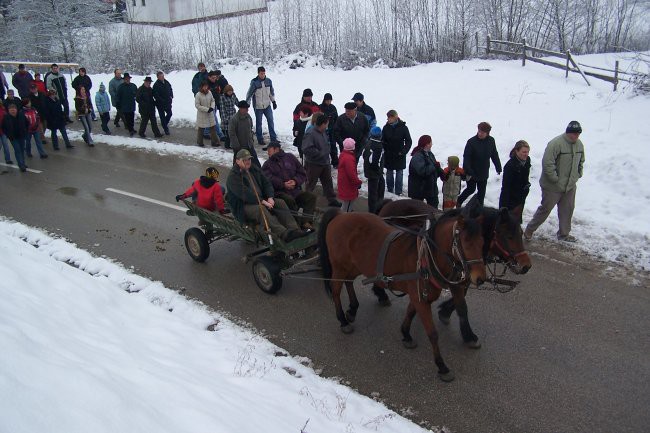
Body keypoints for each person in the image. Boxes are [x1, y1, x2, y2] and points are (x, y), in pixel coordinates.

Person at [226, 149, 308, 242]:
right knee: (260, 209)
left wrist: (270, 197)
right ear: (237, 161)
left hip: (262, 199)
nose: (248, 161)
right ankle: (283, 233)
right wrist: (263, 201)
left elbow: (267, 183)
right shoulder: (233, 177)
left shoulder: (254, 169)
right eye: (244, 160)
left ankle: (295, 229)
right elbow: (246, 195)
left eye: (249, 159)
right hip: (243, 206)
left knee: (280, 202)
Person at [525, 121, 585, 242]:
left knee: (567, 209)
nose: (576, 136)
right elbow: (547, 163)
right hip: (553, 186)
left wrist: (578, 174)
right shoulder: (556, 143)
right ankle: (529, 230)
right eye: (574, 133)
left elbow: (581, 161)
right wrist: (554, 178)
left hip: (570, 185)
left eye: (578, 133)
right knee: (545, 209)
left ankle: (564, 234)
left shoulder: (579, 145)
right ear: (568, 132)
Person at [262, 142, 317, 229]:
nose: (267, 152)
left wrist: (295, 181)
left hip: (294, 190)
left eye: (269, 150)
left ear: (276, 149)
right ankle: (296, 226)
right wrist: (283, 184)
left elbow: (302, 172)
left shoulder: (290, 157)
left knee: (310, 197)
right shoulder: (267, 164)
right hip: (279, 193)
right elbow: (268, 179)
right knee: (289, 200)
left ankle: (306, 222)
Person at [457, 122, 502, 207]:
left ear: (487, 133)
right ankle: (459, 201)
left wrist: (498, 166)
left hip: (483, 171)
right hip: (472, 171)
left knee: (481, 193)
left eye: (483, 132)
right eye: (479, 131)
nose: (480, 134)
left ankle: (479, 209)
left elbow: (494, 154)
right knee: (471, 189)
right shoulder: (471, 142)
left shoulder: (491, 141)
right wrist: (468, 169)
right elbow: (466, 156)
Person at [303, 112, 341, 207]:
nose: (327, 125)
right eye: (327, 123)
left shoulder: (323, 131)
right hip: (313, 164)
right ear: (323, 124)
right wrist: (320, 154)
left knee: (328, 182)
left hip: (325, 162)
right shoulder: (310, 133)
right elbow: (306, 149)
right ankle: (306, 201)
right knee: (310, 183)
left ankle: (331, 199)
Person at [245, 66, 279, 148]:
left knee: (271, 121)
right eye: (261, 73)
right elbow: (249, 94)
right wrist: (247, 104)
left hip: (267, 105)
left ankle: (273, 138)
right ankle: (260, 139)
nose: (263, 75)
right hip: (258, 106)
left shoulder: (268, 81)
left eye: (264, 73)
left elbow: (271, 93)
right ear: (258, 73)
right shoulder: (254, 82)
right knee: (259, 123)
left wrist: (273, 101)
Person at [408, 135, 444, 208]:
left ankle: (433, 219)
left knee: (433, 209)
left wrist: (441, 172)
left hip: (430, 188)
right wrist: (434, 166)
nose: (431, 144)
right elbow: (423, 171)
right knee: (417, 210)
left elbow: (433, 167)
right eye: (430, 142)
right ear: (427, 144)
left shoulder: (430, 154)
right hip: (419, 188)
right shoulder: (417, 156)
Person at [382, 109, 412, 196]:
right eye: (387, 118)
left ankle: (398, 192)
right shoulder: (386, 127)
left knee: (399, 173)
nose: (388, 120)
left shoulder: (403, 128)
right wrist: (385, 148)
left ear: (395, 117)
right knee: (389, 172)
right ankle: (390, 190)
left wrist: (404, 151)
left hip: (400, 154)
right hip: (389, 154)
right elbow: (382, 139)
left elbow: (409, 141)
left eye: (389, 118)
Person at [499, 141, 531, 221]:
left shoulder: (527, 160)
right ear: (516, 151)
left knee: (517, 219)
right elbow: (505, 187)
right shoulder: (510, 166)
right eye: (524, 152)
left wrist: (526, 185)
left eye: (527, 152)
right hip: (511, 198)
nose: (526, 154)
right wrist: (503, 206)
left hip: (521, 196)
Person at [229, 100, 260, 167]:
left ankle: (259, 173)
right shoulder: (234, 119)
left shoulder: (248, 117)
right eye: (246, 108)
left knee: (255, 160)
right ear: (240, 108)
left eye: (247, 108)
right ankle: (235, 174)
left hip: (249, 144)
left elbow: (250, 128)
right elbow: (232, 134)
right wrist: (237, 146)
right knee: (238, 162)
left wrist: (251, 140)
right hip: (239, 146)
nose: (247, 110)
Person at [363, 126, 385, 213]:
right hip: (375, 173)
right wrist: (379, 171)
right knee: (375, 193)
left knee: (374, 192)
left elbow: (365, 156)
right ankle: (373, 212)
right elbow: (375, 161)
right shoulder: (378, 146)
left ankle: (374, 209)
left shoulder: (369, 143)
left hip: (371, 172)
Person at [1, 102, 29, 172]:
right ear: (9, 110)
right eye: (11, 109)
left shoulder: (21, 115)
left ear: (16, 109)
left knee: (22, 149)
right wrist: (8, 135)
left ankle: (22, 162)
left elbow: (27, 123)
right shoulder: (6, 117)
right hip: (13, 137)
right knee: (18, 150)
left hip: (21, 136)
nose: (13, 110)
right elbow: (3, 127)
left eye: (14, 109)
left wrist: (25, 131)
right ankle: (21, 165)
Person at [338, 138, 363, 212]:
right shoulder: (349, 158)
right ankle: (344, 219)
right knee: (348, 204)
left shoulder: (343, 154)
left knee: (346, 204)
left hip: (344, 183)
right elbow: (351, 174)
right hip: (348, 185)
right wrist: (358, 182)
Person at [194, 81, 221, 147]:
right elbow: (197, 105)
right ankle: (200, 142)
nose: (206, 87)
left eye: (206, 86)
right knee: (201, 128)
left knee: (212, 127)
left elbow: (213, 100)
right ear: (201, 87)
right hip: (202, 114)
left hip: (210, 113)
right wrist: (206, 109)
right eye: (204, 86)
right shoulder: (198, 95)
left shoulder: (209, 92)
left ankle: (215, 142)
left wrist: (212, 107)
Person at [319, 92, 338, 167]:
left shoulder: (333, 107)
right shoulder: (320, 107)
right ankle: (324, 162)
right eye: (327, 100)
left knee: (333, 146)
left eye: (330, 100)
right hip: (323, 130)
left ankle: (335, 162)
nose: (329, 102)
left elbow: (336, 118)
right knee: (323, 147)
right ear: (324, 100)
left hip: (332, 130)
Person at [217, 84, 239, 149]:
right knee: (227, 133)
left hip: (233, 115)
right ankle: (227, 145)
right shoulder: (222, 97)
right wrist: (225, 119)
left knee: (233, 132)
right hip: (226, 116)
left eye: (231, 91)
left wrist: (242, 106)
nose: (230, 93)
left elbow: (237, 102)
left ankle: (233, 144)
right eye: (229, 92)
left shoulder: (233, 95)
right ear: (226, 91)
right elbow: (222, 109)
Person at [152, 71, 173, 135]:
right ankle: (166, 129)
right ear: (158, 77)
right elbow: (155, 95)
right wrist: (162, 100)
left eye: (163, 76)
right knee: (162, 117)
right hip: (160, 104)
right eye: (161, 76)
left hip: (168, 102)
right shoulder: (156, 85)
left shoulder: (166, 82)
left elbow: (170, 89)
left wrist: (171, 96)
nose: (162, 77)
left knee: (170, 114)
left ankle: (164, 124)